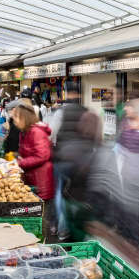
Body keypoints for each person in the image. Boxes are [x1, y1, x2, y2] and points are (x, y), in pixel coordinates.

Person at [52, 82, 89, 241]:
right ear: (79, 94)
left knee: (60, 193)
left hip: (63, 159)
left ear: (66, 94)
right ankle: (80, 227)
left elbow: (51, 134)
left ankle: (62, 229)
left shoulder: (60, 112)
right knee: (78, 194)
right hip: (82, 161)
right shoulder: (86, 111)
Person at [12, 102, 54, 200]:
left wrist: (20, 163)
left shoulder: (36, 132)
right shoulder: (24, 132)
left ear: (24, 118)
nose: (14, 120)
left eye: (16, 117)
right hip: (32, 179)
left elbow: (42, 156)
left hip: (41, 182)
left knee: (41, 213)